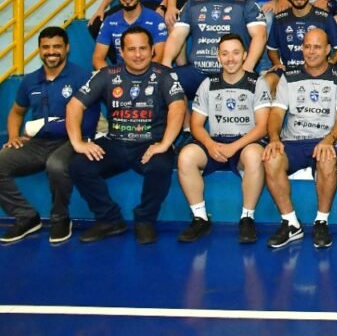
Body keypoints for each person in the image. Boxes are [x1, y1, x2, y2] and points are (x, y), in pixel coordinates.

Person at [68, 26, 186, 244]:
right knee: (78, 165)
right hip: (115, 142)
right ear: (121, 52)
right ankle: (109, 220)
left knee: (161, 165)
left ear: (152, 50)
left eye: (143, 48)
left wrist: (164, 144)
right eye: (131, 49)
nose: (138, 54)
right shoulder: (107, 75)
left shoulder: (165, 75)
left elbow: (178, 107)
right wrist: (77, 142)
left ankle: (145, 220)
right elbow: (74, 105)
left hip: (150, 144)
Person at [0, 27, 99, 244]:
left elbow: (88, 120)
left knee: (56, 165)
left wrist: (48, 127)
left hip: (71, 141)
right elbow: (16, 112)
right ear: (39, 50)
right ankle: (26, 217)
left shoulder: (81, 77)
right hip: (37, 144)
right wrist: (13, 136)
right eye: (46, 47)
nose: (51, 51)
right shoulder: (30, 81)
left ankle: (60, 218)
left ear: (67, 48)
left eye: (56, 46)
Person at [262, 28, 337, 249]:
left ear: (328, 50)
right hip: (293, 141)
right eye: (307, 47)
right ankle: (291, 223)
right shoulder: (289, 77)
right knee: (272, 158)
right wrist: (274, 138)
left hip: (327, 138)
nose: (311, 52)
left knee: (327, 158)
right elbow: (277, 114)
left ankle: (321, 221)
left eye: (317, 47)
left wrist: (329, 139)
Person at [176, 34, 271, 244]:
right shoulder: (208, 83)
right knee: (186, 156)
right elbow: (196, 125)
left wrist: (234, 147)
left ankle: (247, 218)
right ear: (218, 57)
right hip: (216, 142)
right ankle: (200, 218)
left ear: (244, 55)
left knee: (254, 155)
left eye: (236, 53)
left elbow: (263, 127)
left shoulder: (257, 83)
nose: (230, 59)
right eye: (225, 54)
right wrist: (209, 144)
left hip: (245, 143)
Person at [162, 0, 267, 99]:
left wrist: (247, 68)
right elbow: (176, 35)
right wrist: (166, 62)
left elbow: (260, 36)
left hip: (233, 71)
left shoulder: (247, 3)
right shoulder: (194, 2)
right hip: (198, 72)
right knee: (166, 81)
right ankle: (184, 115)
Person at [266, 0, 337, 95]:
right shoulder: (280, 19)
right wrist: (277, 63)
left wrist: (329, 64)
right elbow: (272, 49)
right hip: (289, 73)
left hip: (316, 72)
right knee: (266, 82)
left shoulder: (324, 18)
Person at [92, 0, 168, 68]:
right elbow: (98, 58)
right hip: (120, 74)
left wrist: (142, 74)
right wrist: (110, 75)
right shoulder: (109, 21)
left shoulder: (156, 19)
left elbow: (160, 56)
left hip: (149, 73)